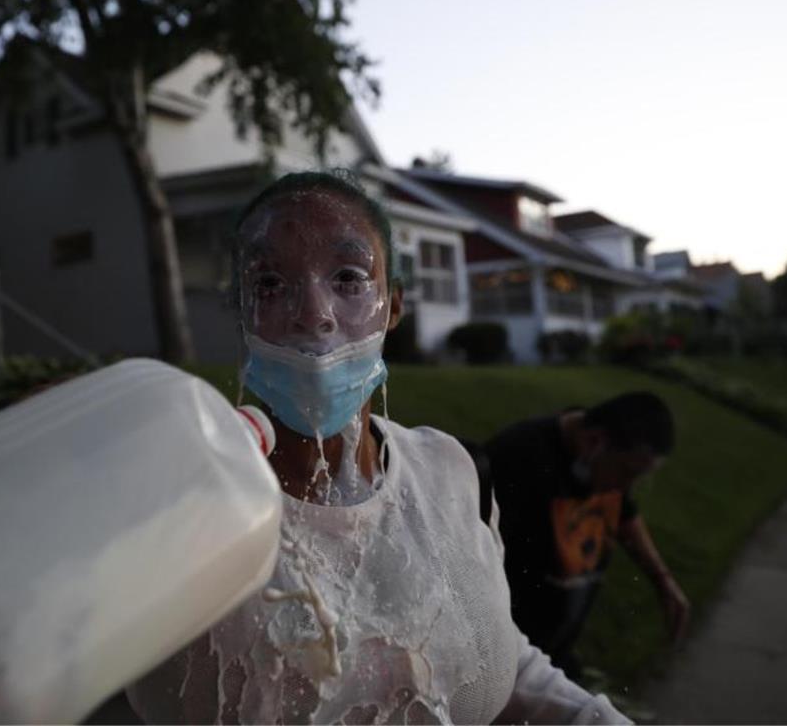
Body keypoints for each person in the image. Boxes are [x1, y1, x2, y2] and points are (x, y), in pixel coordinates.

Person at [125, 171, 630, 724]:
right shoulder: (174, 507)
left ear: (392, 307)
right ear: (244, 313)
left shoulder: (454, 473)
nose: (313, 313)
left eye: (348, 277)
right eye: (270, 283)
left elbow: (494, 656)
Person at [484, 394, 690, 681]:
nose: (625, 487)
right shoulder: (518, 458)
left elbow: (625, 515)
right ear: (594, 441)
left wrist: (662, 580)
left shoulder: (603, 463)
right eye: (629, 473)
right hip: (506, 663)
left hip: (556, 656)